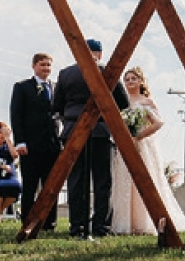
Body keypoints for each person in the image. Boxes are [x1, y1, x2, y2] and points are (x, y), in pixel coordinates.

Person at [53, 38, 130, 239]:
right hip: (100, 132)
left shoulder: (66, 73)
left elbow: (56, 105)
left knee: (76, 180)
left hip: (73, 130)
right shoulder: (108, 71)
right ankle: (100, 227)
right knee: (102, 181)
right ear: (100, 54)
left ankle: (76, 226)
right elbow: (123, 102)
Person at [110, 67, 185, 234]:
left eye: (133, 79)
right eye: (127, 79)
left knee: (145, 180)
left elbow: (158, 123)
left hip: (143, 146)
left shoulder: (147, 101)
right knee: (125, 182)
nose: (129, 82)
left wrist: (139, 136)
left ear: (141, 81)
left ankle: (145, 222)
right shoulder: (121, 101)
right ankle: (126, 223)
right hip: (125, 145)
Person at [10, 52, 62, 231]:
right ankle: (27, 221)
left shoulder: (56, 87)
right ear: (34, 66)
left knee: (50, 185)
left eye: (48, 65)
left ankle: (50, 223)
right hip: (30, 145)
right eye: (42, 64)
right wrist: (20, 142)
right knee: (30, 185)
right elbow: (16, 116)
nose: (46, 68)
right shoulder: (22, 87)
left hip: (52, 145)